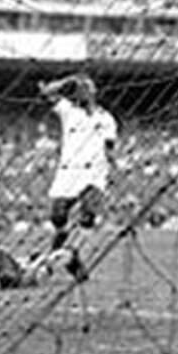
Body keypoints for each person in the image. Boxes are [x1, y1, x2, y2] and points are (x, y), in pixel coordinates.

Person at [39, 72, 118, 282]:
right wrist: (66, 82)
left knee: (87, 216)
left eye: (87, 87)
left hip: (94, 172)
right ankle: (66, 257)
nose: (83, 91)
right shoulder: (67, 111)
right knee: (58, 217)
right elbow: (45, 93)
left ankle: (71, 253)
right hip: (68, 171)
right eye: (79, 88)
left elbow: (110, 148)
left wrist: (111, 170)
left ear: (93, 92)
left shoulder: (107, 118)